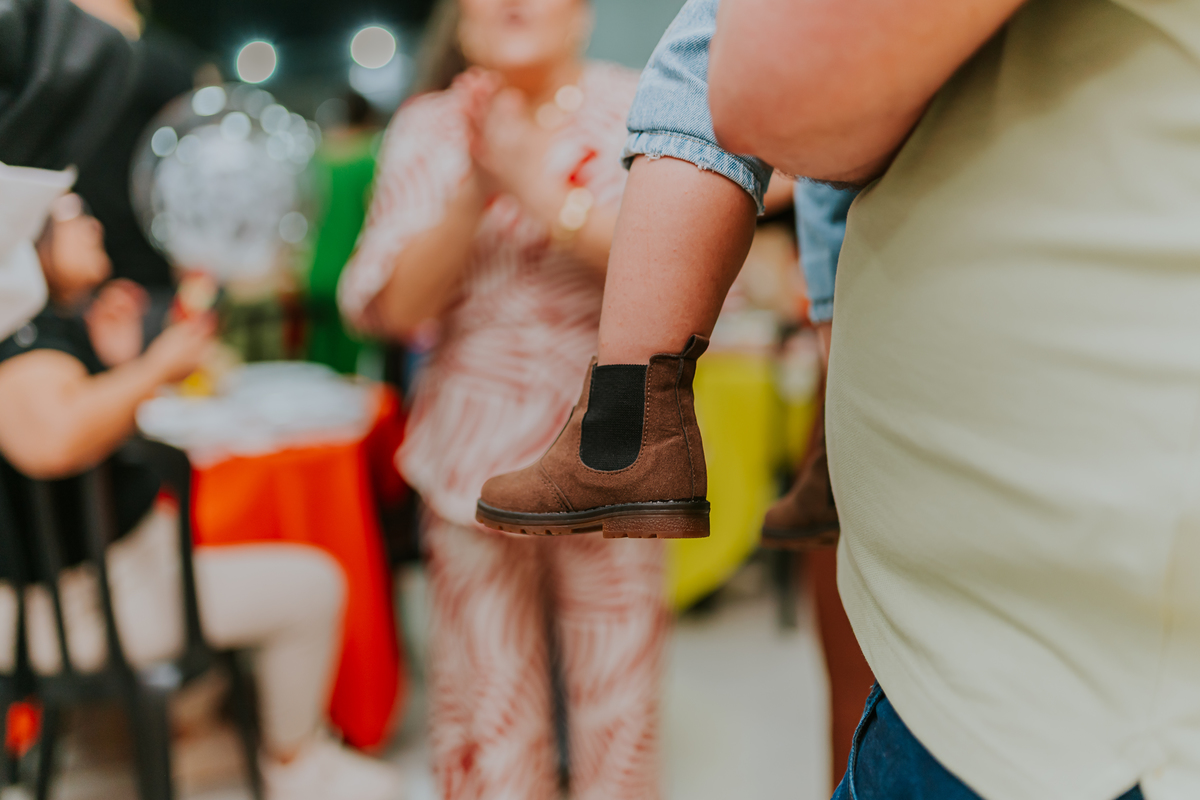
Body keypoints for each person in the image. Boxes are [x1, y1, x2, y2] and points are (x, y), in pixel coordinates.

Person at [338, 0, 667, 797]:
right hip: (469, 460)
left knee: (619, 714)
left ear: (581, 11)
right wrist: (476, 187)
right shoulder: (429, 126)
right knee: (487, 716)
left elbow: (671, 276)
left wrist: (533, 185)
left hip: (613, 445)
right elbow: (396, 310)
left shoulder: (636, 108)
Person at [0, 194, 403, 800]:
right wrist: (155, 367)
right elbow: (52, 441)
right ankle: (293, 763)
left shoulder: (52, 328)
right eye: (68, 215)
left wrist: (122, 364)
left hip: (106, 582)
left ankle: (144, 751)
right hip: (83, 605)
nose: (90, 222)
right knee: (314, 582)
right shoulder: (25, 339)